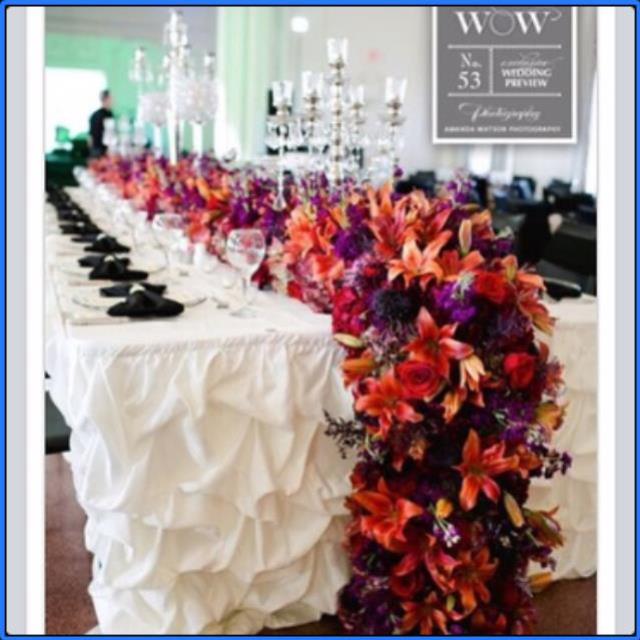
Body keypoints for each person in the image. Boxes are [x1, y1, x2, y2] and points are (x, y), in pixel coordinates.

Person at [88, 89, 114, 157]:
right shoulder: (96, 115)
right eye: (111, 98)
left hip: (106, 149)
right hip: (98, 150)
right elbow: (91, 137)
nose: (113, 101)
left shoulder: (110, 114)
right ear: (106, 99)